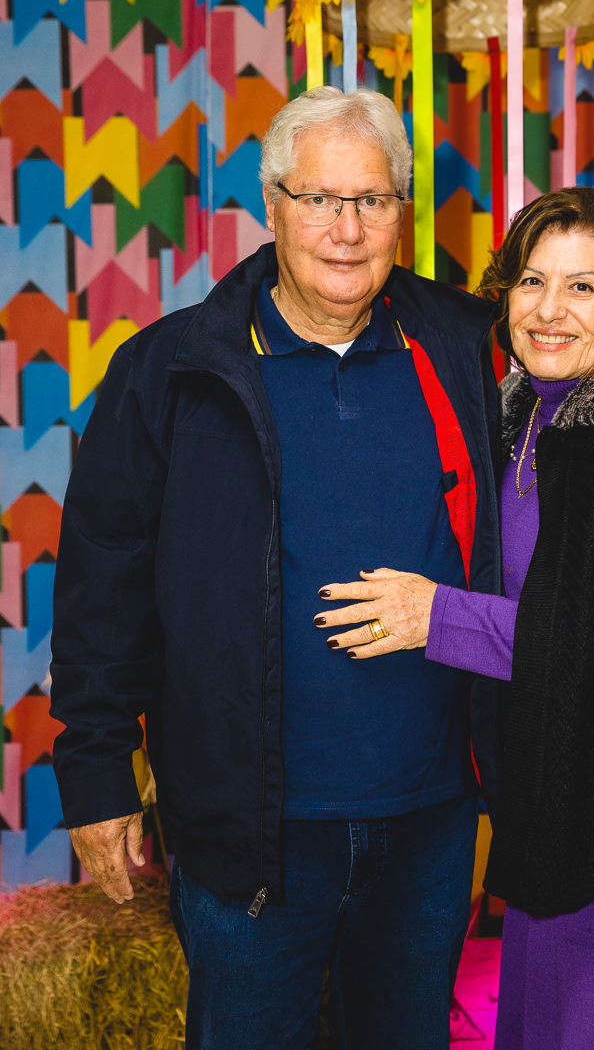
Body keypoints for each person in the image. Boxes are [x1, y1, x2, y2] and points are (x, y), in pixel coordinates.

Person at [50, 85, 502, 1050]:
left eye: (372, 200)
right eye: (319, 198)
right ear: (271, 203)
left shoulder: (468, 347)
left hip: (430, 820)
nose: (346, 229)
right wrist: (94, 774)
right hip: (247, 828)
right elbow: (103, 578)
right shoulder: (171, 370)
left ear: (402, 212)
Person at [316, 187, 594, 1049]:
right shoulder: (527, 414)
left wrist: (435, 617)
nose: (547, 310)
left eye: (582, 287)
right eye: (531, 281)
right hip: (556, 802)